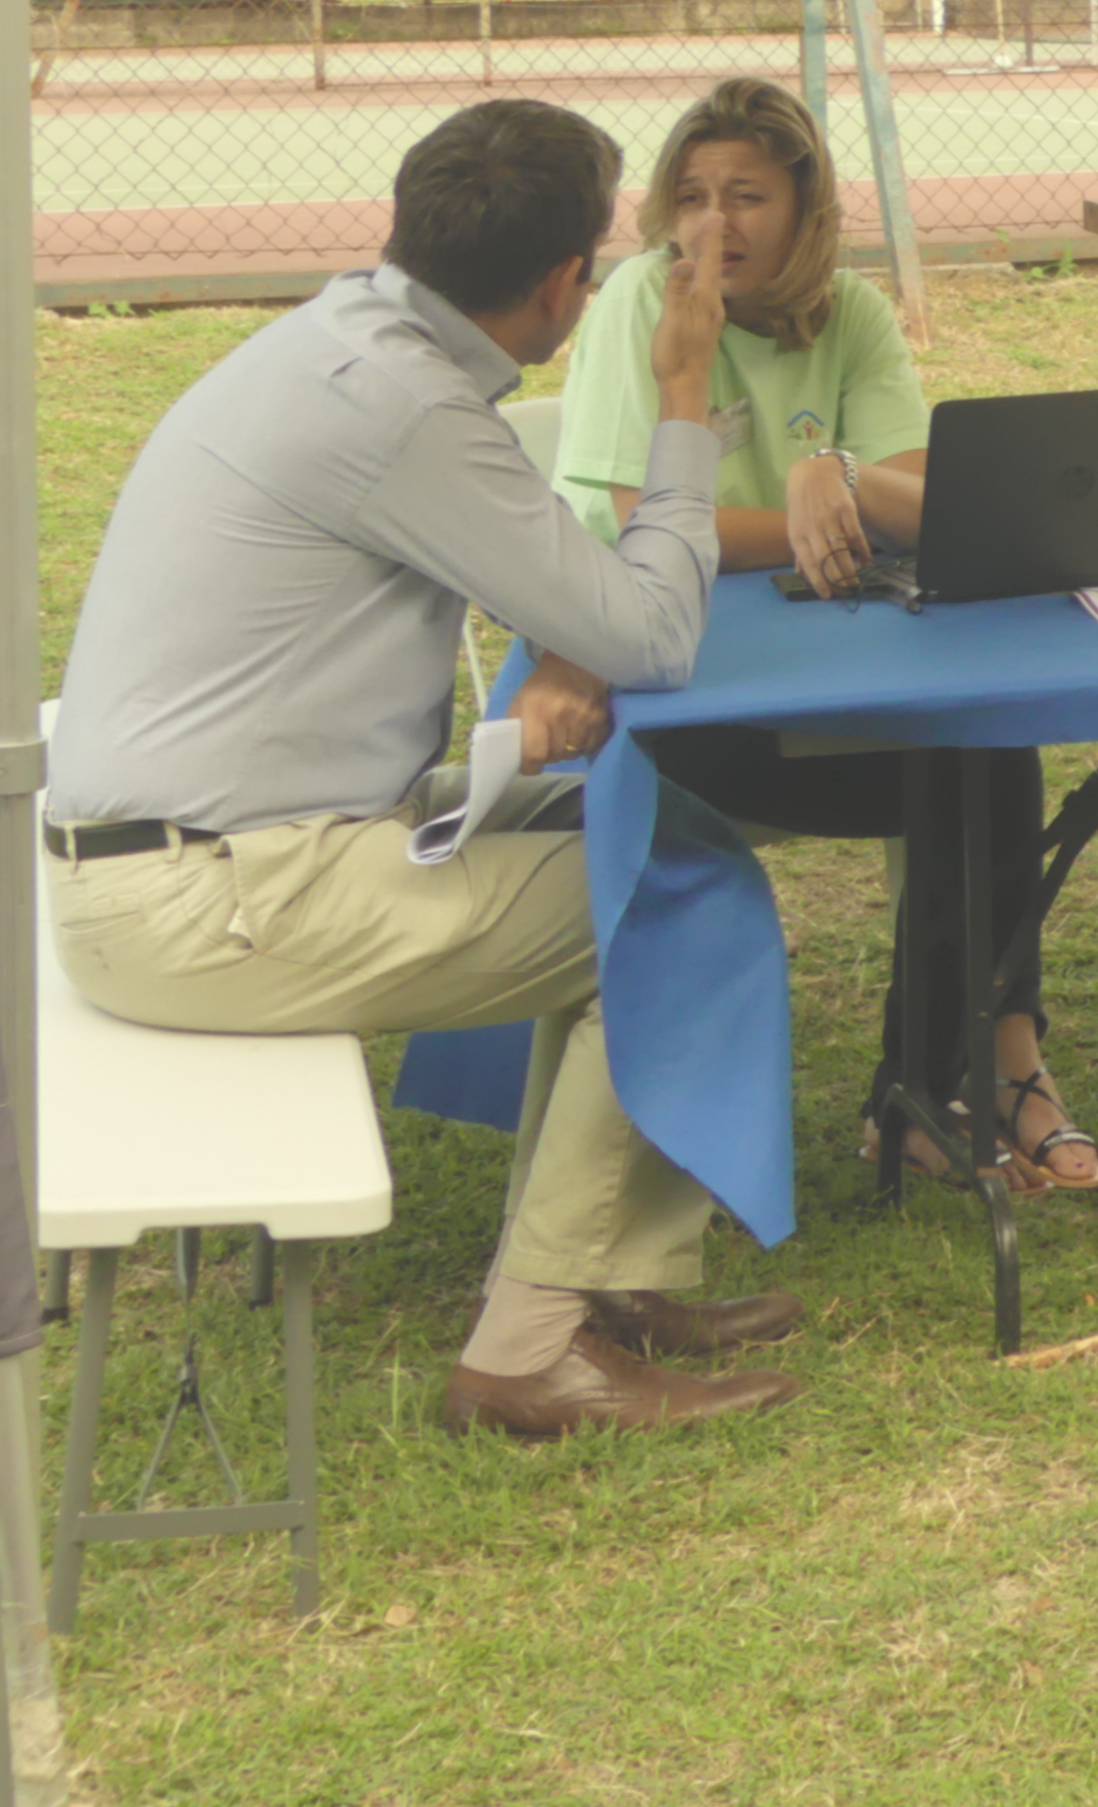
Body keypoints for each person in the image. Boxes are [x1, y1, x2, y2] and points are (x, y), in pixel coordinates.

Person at [43, 99, 806, 1438]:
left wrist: (567, 644)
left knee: (664, 838)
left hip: (189, 857)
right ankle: (529, 1353)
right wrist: (686, 397)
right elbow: (651, 632)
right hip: (206, 901)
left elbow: (563, 602)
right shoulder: (405, 408)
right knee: (663, 905)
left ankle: (618, 1278)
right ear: (567, 286)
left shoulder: (347, 342)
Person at [550, 76, 1098, 1192]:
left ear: (805, 212)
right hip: (677, 694)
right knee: (965, 786)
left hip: (839, 669)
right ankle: (959, 1083)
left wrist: (835, 474)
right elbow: (647, 523)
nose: (717, 224)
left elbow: (924, 487)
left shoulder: (845, 312)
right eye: (693, 195)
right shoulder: (641, 306)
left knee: (986, 754)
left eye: (748, 195)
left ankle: (973, 1075)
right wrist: (812, 524)